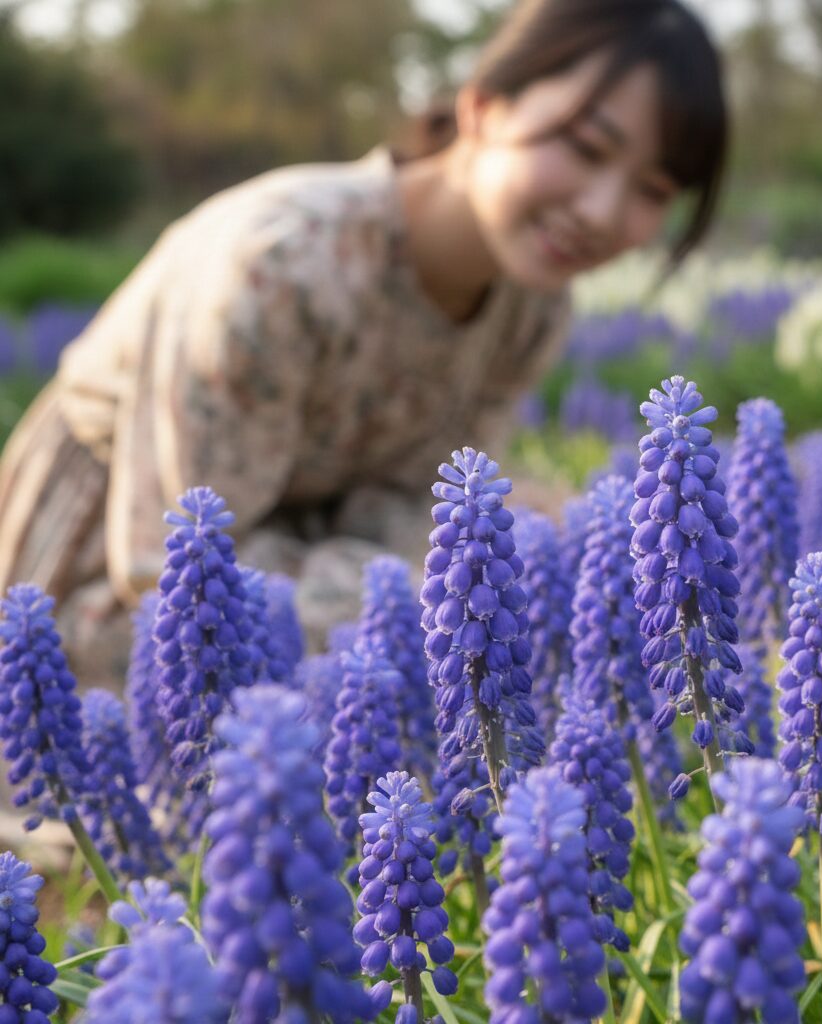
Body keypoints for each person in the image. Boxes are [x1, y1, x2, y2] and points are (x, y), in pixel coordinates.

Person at [0, 0, 727, 682]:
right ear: (482, 107)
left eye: (654, 191)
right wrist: (458, 584)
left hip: (331, 583)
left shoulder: (533, 307)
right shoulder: (279, 264)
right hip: (109, 598)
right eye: (587, 147)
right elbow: (174, 567)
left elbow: (417, 512)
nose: (603, 211)